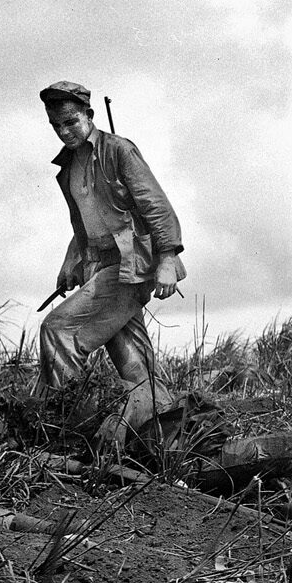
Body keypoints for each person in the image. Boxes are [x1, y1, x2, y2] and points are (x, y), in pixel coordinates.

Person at [37, 81, 185, 453]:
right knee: (135, 367)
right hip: (98, 265)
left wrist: (167, 258)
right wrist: (72, 261)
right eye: (56, 126)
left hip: (129, 266)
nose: (65, 131)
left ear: (89, 115)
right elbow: (88, 220)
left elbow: (156, 206)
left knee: (58, 332)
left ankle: (62, 431)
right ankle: (167, 439)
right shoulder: (69, 165)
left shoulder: (118, 150)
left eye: (71, 122)